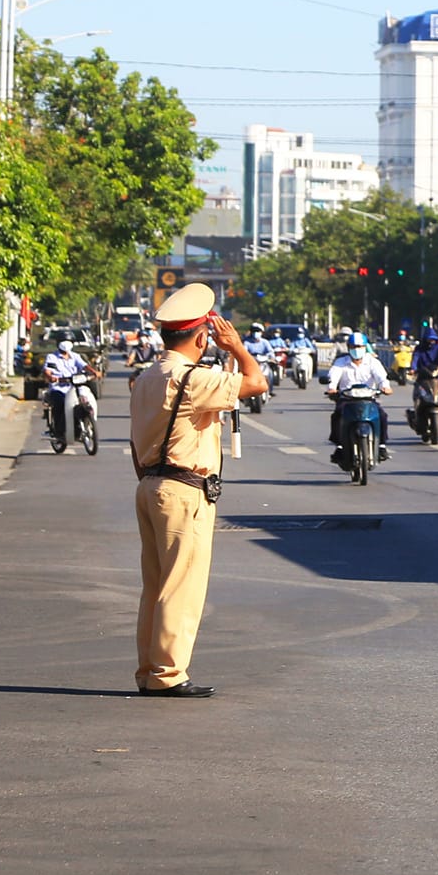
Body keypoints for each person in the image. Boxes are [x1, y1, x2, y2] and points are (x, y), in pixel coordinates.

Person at [127, 283, 266, 698]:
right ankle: (169, 674)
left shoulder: (149, 377)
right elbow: (255, 383)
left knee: (155, 586)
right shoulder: (193, 379)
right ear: (203, 336)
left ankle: (151, 671)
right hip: (183, 492)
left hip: (150, 485)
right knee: (182, 586)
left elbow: (136, 443)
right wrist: (238, 348)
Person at [326, 332, 393, 464]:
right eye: (353, 346)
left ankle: (382, 446)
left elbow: (381, 378)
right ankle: (339, 446)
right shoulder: (341, 362)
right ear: (348, 347)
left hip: (368, 400)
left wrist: (385, 387)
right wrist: (332, 388)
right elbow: (333, 377)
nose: (357, 349)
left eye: (360, 346)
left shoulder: (372, 362)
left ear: (365, 347)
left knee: (382, 416)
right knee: (337, 416)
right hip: (347, 400)